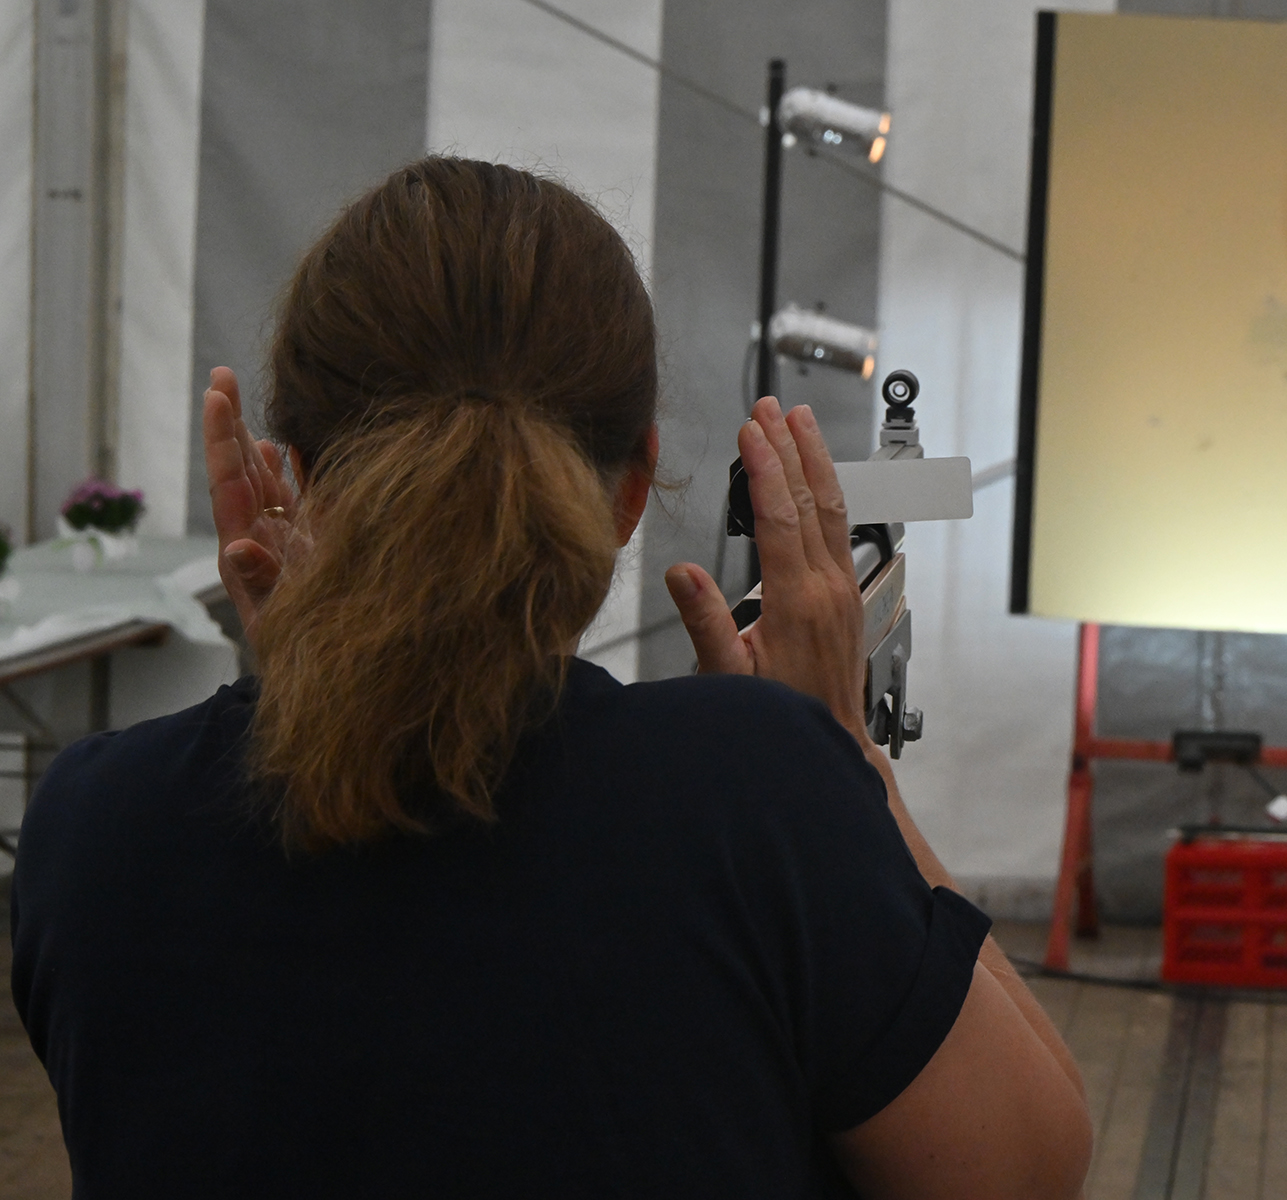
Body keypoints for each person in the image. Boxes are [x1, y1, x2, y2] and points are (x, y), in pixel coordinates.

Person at [9, 157, 1090, 1198]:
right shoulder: (753, 795)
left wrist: (312, 673)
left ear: (297, 466)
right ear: (631, 489)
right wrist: (853, 762)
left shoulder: (98, 825)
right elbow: (1030, 1172)